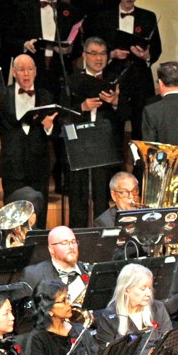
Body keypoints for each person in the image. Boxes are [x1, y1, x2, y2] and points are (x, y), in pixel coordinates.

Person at [87, 0, 160, 140]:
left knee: (141, 128)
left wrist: (146, 55)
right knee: (113, 127)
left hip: (140, 78)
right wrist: (112, 54)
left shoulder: (148, 17)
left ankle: (139, 165)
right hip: (113, 77)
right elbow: (95, 46)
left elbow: (156, 48)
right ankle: (114, 165)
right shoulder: (104, 17)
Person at [66, 36, 124, 226]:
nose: (99, 58)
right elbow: (62, 112)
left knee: (103, 198)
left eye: (103, 54)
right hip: (79, 147)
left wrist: (115, 102)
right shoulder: (72, 80)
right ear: (84, 55)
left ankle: (103, 242)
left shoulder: (115, 80)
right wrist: (81, 106)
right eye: (94, 54)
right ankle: (77, 239)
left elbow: (130, 112)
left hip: (106, 147)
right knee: (78, 198)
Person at [0, 54, 57, 226]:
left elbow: (55, 133)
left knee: (39, 216)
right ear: (14, 72)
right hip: (12, 166)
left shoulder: (46, 95)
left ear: (36, 72)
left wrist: (49, 127)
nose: (26, 73)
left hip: (39, 166)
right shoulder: (2, 95)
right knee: (11, 216)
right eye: (22, 69)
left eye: (30, 69)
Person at [14, 0, 82, 100]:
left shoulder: (71, 12)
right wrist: (26, 44)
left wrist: (68, 50)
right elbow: (10, 39)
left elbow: (78, 46)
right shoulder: (24, 9)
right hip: (31, 72)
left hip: (60, 74)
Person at [19, 226, 89, 299]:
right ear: (51, 249)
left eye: (73, 242)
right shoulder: (32, 275)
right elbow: (22, 307)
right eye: (64, 243)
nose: (71, 247)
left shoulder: (90, 270)